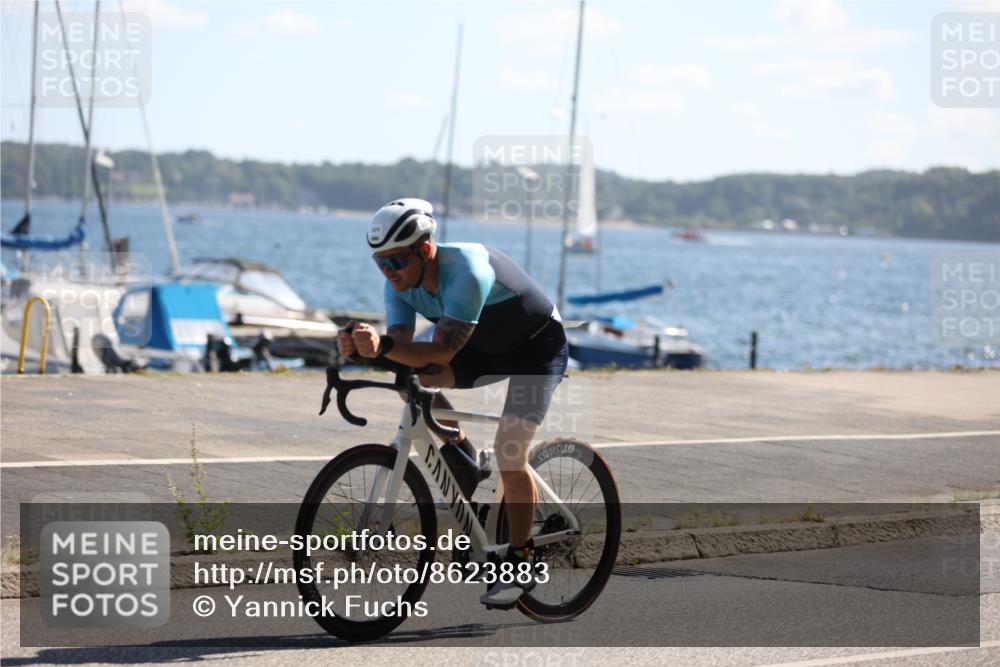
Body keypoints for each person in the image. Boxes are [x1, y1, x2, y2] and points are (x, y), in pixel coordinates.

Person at [337, 198, 568, 608]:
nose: (389, 272)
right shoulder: (400, 285)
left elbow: (441, 352)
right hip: (482, 350)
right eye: (380, 263)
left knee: (509, 452)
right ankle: (464, 460)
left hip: (537, 350)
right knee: (411, 381)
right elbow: (403, 351)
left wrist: (382, 347)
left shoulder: (467, 272)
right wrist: (360, 350)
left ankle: (521, 560)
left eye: (396, 261)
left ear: (425, 249)